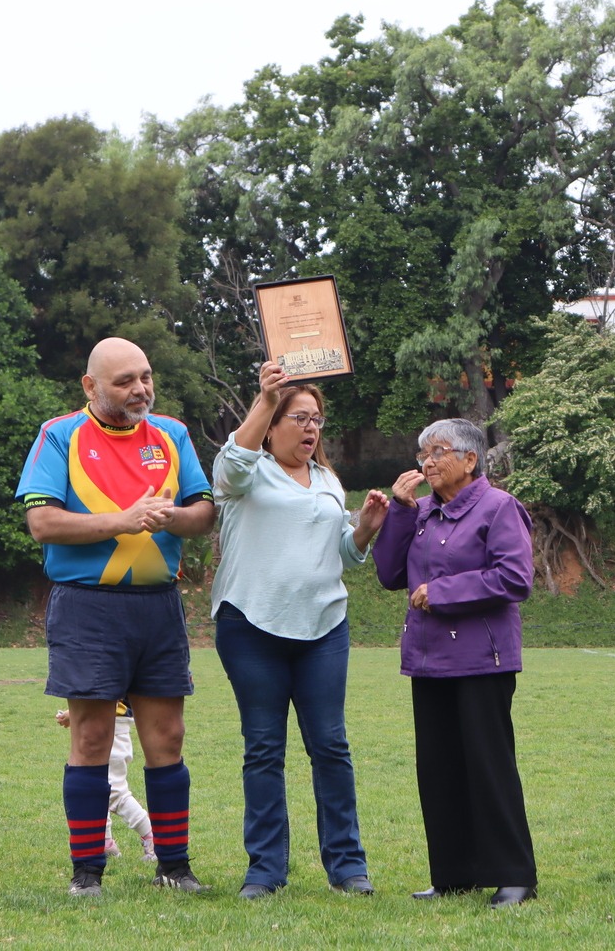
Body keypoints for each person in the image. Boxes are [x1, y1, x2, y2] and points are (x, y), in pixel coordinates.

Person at [15, 337, 217, 898]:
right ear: (91, 385)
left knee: (168, 736)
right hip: (87, 608)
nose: (140, 389)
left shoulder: (172, 434)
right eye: (125, 380)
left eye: (145, 377)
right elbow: (43, 523)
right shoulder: (60, 434)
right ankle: (87, 874)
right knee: (91, 737)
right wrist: (122, 520)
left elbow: (204, 513)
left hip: (158, 607)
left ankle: (174, 867)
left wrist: (171, 516)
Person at [211, 361, 388, 900]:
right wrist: (266, 397)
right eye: (300, 418)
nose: (311, 429)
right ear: (272, 426)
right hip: (251, 625)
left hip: (323, 628)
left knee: (331, 745)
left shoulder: (328, 481)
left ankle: (348, 867)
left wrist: (365, 529)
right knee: (264, 748)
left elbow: (344, 555)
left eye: (317, 420)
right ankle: (265, 871)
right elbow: (229, 467)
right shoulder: (247, 472)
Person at [372, 419, 538, 908]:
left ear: (470, 459)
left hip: (482, 659)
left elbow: (515, 577)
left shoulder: (499, 506)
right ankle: (452, 875)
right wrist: (400, 512)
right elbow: (390, 574)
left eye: (439, 451)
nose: (428, 462)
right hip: (429, 659)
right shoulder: (421, 511)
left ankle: (515, 875)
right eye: (423, 453)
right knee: (438, 769)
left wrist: (443, 592)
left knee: (489, 767)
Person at [55, 702, 156, 861]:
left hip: (111, 725)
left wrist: (73, 713)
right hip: (102, 722)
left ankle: (152, 837)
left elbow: (107, 692)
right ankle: (105, 842)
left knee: (116, 793)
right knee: (96, 787)